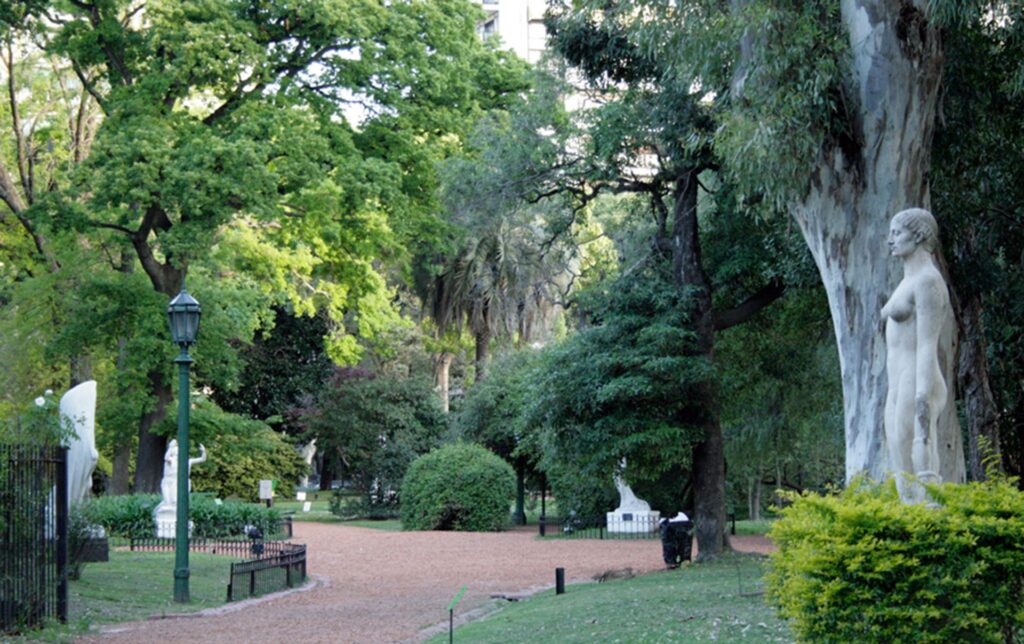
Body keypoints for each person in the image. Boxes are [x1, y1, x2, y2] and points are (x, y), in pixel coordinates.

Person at [880, 208, 951, 503]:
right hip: (897, 381)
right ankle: (909, 528)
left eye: (897, 233)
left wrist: (922, 395)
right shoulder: (906, 281)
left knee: (918, 453)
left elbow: (927, 344)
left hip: (918, 378)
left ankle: (927, 521)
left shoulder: (928, 281)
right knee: (898, 455)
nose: (890, 240)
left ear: (919, 235)